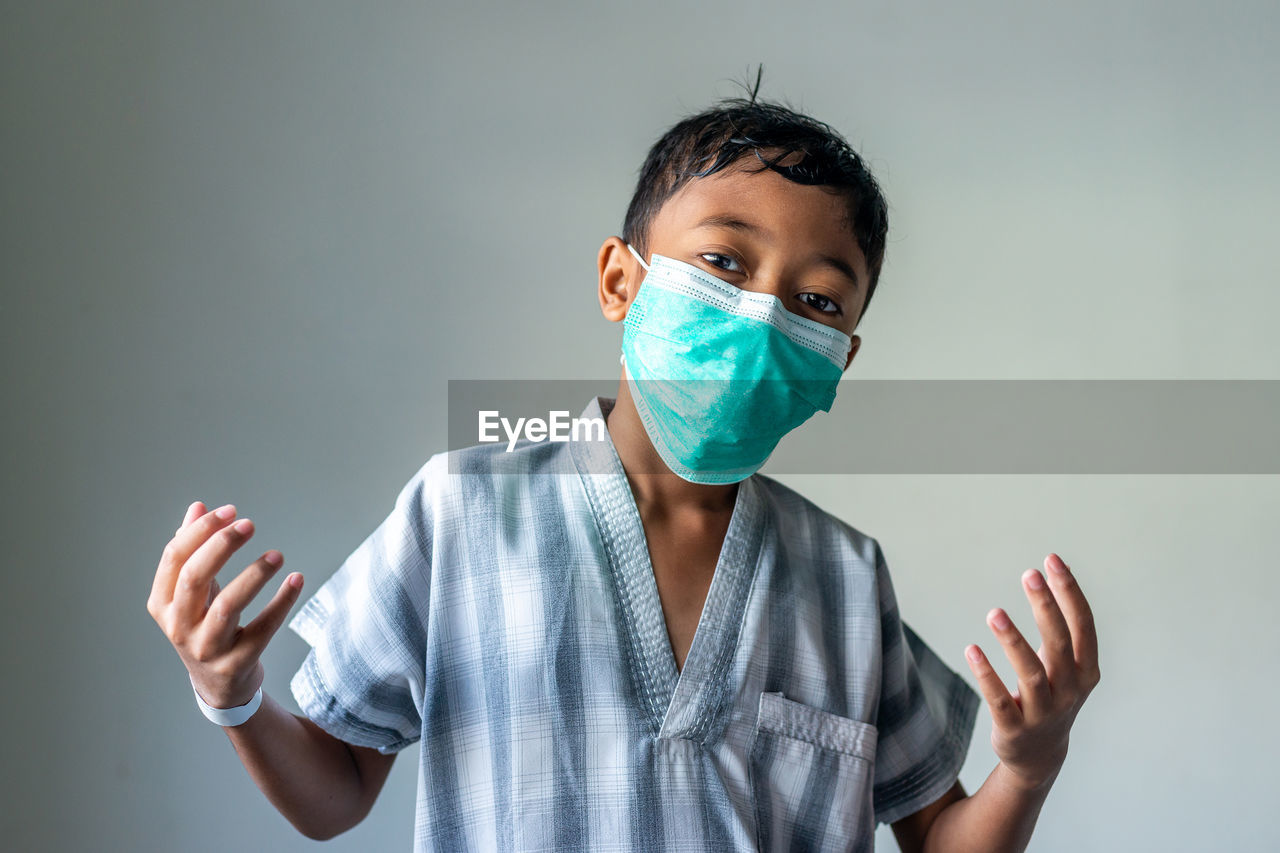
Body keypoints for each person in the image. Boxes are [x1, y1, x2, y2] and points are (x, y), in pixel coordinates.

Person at [146, 82, 1100, 852]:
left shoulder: (845, 578)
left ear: (839, 362)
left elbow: (940, 841)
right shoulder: (463, 512)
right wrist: (231, 694)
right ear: (621, 282)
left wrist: (1029, 766)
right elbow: (334, 796)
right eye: (725, 261)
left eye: (816, 299)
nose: (763, 314)